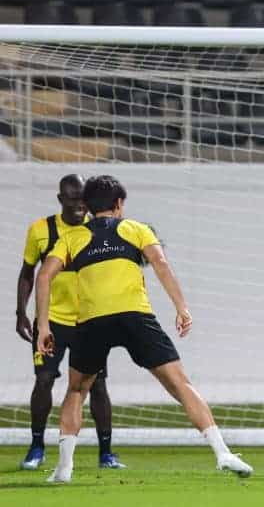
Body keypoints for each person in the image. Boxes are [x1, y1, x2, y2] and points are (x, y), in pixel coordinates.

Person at [35, 175, 253, 483]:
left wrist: (44, 326)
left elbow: (44, 276)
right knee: (180, 384)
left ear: (88, 206)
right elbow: (160, 263)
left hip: (92, 321)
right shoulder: (135, 229)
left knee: (77, 390)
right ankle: (223, 453)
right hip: (134, 316)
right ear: (119, 204)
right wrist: (182, 308)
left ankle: (63, 469)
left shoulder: (72, 237)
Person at [15, 174, 124, 471]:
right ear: (60, 199)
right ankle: (36, 447)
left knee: (97, 384)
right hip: (50, 322)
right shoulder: (41, 230)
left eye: (83, 201)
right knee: (44, 380)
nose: (79, 206)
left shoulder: (100, 229)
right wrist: (21, 313)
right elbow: (27, 273)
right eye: (72, 200)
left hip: (89, 321)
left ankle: (106, 453)